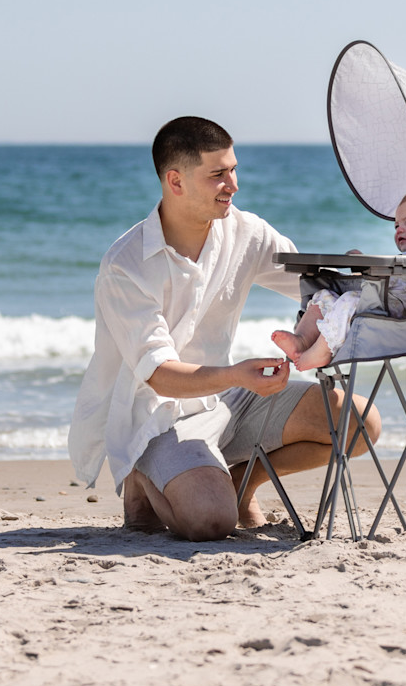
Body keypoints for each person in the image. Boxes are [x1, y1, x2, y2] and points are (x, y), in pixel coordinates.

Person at [68, 116, 381, 541]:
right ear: (175, 182)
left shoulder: (246, 231)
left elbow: (312, 286)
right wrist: (238, 374)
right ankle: (143, 479)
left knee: (360, 421)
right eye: (218, 175)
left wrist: (360, 275)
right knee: (210, 522)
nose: (233, 184)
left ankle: (242, 480)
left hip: (231, 400)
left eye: (233, 170)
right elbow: (159, 375)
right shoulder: (125, 265)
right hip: (159, 416)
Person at [271, 188, 406, 370]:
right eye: (396, 225)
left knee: (349, 301)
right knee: (323, 295)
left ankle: (321, 352)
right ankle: (302, 341)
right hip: (389, 301)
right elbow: (386, 284)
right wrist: (362, 268)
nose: (399, 229)